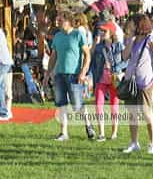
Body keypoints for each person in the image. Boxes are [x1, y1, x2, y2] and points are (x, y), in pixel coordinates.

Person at [43, 10, 95, 141]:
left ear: (68, 21)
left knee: (77, 105)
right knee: (61, 104)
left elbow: (87, 55)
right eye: (57, 20)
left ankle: (89, 125)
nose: (57, 22)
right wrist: (48, 74)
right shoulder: (57, 36)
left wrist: (83, 72)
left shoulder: (78, 34)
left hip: (74, 75)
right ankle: (63, 133)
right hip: (59, 74)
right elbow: (53, 57)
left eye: (60, 20)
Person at [122, 13, 153, 154]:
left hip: (145, 82)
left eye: (132, 23)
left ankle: (152, 144)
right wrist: (131, 40)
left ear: (139, 24)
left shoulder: (150, 38)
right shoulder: (133, 39)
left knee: (147, 113)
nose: (129, 25)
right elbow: (124, 56)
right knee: (132, 113)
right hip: (131, 81)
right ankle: (134, 143)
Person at [91, 21, 126, 142]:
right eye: (101, 30)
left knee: (114, 106)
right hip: (101, 79)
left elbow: (127, 60)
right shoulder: (99, 47)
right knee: (98, 105)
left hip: (114, 79)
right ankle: (101, 133)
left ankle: (114, 133)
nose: (101, 33)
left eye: (104, 31)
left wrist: (116, 68)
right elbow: (92, 61)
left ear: (111, 33)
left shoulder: (119, 45)